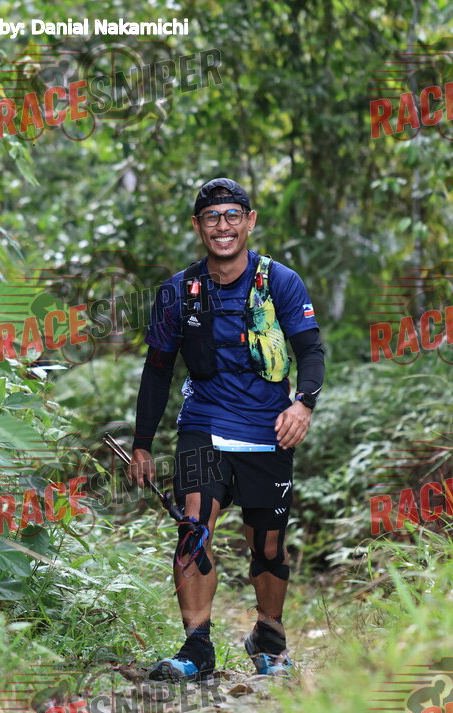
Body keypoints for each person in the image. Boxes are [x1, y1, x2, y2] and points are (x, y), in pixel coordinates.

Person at [130, 178, 324, 680]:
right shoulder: (177, 291)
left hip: (269, 429)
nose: (223, 226)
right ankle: (197, 648)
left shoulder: (279, 281)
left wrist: (302, 404)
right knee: (193, 530)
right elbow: (157, 369)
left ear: (250, 221)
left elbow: (310, 351)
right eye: (212, 216)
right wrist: (142, 444)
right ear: (198, 226)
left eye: (232, 215)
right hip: (204, 423)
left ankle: (269, 636)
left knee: (269, 546)